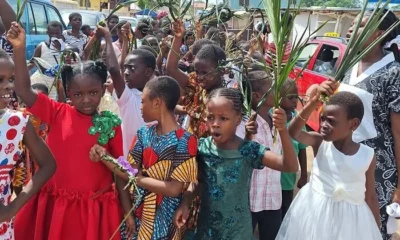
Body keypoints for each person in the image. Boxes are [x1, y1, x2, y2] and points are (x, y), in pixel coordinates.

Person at [8, 22, 130, 240]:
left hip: (93, 209)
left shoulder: (111, 125)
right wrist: (19, 48)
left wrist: (127, 210)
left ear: (103, 89)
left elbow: (121, 172)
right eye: (77, 94)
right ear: (68, 92)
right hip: (56, 207)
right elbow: (24, 90)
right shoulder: (57, 112)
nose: (86, 100)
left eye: (93, 92)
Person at [174, 88, 298, 239]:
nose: (215, 124)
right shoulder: (202, 147)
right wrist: (186, 200)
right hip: (207, 230)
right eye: (210, 117)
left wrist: (283, 130)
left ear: (238, 120)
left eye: (223, 118)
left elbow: (289, 166)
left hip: (237, 232)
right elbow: (199, 182)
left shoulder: (248, 150)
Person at [90, 76, 198, 240]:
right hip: (138, 214)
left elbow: (174, 189)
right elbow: (126, 171)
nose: (141, 107)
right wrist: (105, 157)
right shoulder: (144, 133)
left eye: (143, 102)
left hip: (167, 220)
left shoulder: (186, 140)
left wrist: (137, 178)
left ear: (157, 103)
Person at [276, 86, 381, 239]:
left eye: (331, 121)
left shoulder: (367, 155)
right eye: (322, 119)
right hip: (315, 215)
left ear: (353, 124)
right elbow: (293, 132)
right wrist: (313, 102)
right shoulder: (319, 142)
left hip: (351, 222)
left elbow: (370, 196)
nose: (324, 125)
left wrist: (375, 231)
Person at [337, 10, 400, 239]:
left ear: (380, 34)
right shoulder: (347, 65)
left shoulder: (393, 73)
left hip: (377, 172)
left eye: (361, 25)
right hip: (343, 164)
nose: (352, 28)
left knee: (371, 228)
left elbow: (398, 133)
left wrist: (399, 187)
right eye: (353, 23)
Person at [0, 48, 56, 240]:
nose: (9, 86)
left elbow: (49, 165)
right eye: (1, 80)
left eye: (11, 79)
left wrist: (13, 208)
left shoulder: (16, 123)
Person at [233, 71, 284, 240]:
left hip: (273, 199)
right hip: (249, 201)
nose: (277, 92)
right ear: (256, 96)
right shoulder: (243, 125)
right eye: (272, 89)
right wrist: (248, 135)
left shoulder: (276, 121)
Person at [167, 20, 226, 138]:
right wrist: (178, 38)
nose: (199, 77)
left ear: (221, 71)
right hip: (192, 150)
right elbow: (171, 68)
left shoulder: (228, 97)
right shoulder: (197, 86)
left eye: (204, 73)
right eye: (197, 71)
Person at [12, 83, 50, 196]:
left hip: (39, 152)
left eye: (41, 96)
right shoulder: (20, 113)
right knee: (18, 179)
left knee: (38, 180)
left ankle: (33, 204)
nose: (37, 100)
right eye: (34, 96)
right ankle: (20, 206)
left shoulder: (47, 115)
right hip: (22, 152)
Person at [279, 80, 308, 219]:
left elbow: (302, 149)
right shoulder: (273, 116)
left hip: (288, 179)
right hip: (272, 178)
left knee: (285, 211)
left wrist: (303, 175)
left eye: (296, 97)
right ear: (278, 98)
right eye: (290, 97)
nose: (295, 101)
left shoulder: (298, 119)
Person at [28, 21, 65, 100]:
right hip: (42, 80)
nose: (54, 35)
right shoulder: (42, 46)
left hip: (57, 83)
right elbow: (33, 62)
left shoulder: (66, 48)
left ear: (61, 32)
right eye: (52, 33)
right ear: (47, 33)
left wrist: (62, 50)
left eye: (57, 33)